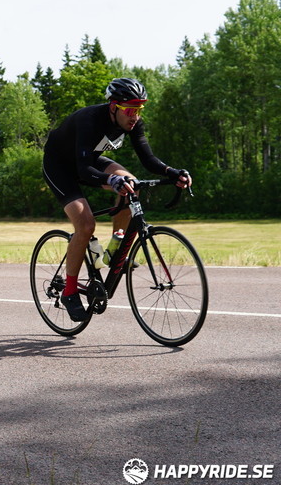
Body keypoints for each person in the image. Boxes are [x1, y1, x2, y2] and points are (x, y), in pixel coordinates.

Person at [42, 78, 192, 322]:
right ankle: (70, 291)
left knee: (131, 183)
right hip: (61, 166)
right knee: (86, 224)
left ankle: (114, 250)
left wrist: (172, 172)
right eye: (130, 109)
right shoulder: (90, 120)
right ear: (114, 107)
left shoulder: (133, 123)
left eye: (139, 109)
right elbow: (82, 170)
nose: (135, 116)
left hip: (89, 162)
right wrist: (111, 181)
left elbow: (148, 159)